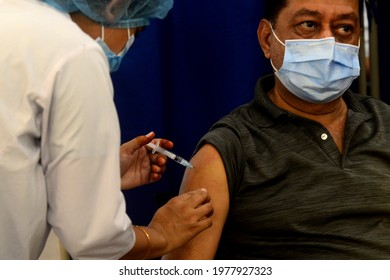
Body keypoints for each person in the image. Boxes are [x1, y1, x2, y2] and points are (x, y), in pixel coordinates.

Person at [163, 0, 390, 260]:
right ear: (267, 39)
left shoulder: (384, 122)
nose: (328, 42)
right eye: (309, 25)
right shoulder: (228, 150)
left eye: (344, 28)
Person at [0, 0, 213, 260]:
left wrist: (97, 172)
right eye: (138, 29)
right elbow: (93, 241)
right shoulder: (73, 53)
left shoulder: (12, 20)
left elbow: (14, 163)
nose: (131, 42)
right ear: (113, 6)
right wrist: (162, 233)